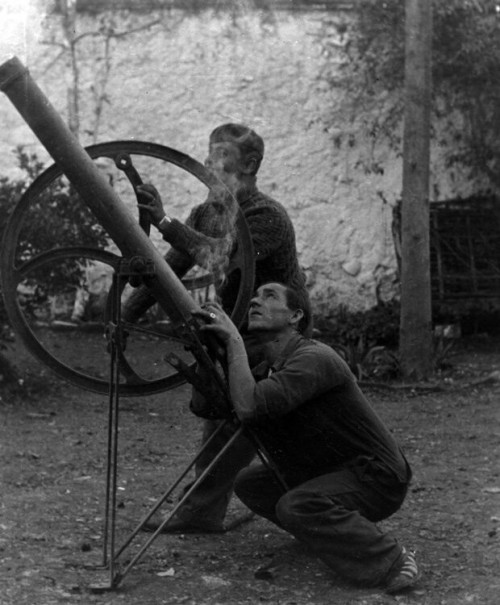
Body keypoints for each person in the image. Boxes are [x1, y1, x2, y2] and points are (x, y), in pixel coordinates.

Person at [123, 123, 308, 533]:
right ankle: (206, 508)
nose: (209, 166)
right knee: (226, 413)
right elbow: (169, 271)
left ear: (251, 164)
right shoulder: (206, 212)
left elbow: (220, 257)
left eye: (220, 157)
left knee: (241, 415)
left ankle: (213, 507)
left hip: (279, 338)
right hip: (237, 332)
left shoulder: (267, 216)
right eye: (207, 156)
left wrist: (166, 222)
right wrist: (126, 317)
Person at [189, 282, 420, 594]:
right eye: (254, 296)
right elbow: (208, 408)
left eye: (269, 296)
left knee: (297, 505)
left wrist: (233, 342)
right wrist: (204, 356)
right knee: (251, 483)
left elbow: (249, 406)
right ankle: (331, 538)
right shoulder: (267, 365)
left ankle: (392, 559)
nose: (256, 301)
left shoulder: (314, 357)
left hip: (377, 476)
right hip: (334, 470)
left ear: (295, 315)